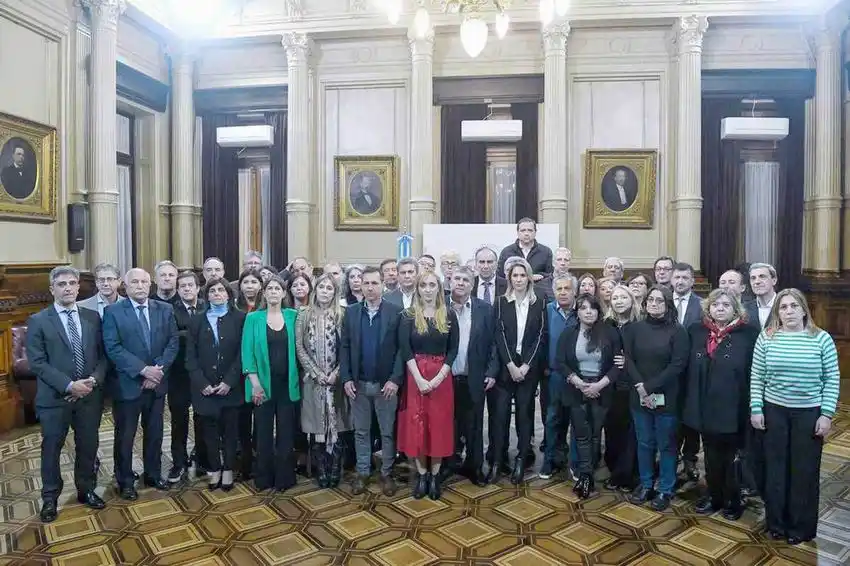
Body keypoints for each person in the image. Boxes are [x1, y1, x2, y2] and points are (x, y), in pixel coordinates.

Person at [750, 289, 840, 545]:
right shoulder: (766, 338)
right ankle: (776, 523)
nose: (788, 311)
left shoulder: (821, 339)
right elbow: (756, 376)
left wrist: (826, 414)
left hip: (809, 413)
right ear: (777, 312)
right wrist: (756, 409)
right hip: (773, 410)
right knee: (774, 469)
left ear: (803, 310)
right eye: (783, 307)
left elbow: (831, 379)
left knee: (804, 471)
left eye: (793, 306)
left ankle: (800, 527)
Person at [26, 267, 108, 522]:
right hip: (54, 398)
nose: (68, 288)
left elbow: (104, 356)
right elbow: (37, 363)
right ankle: (50, 498)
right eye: (62, 284)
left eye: (73, 283)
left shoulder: (93, 317)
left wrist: (93, 381)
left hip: (89, 396)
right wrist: (69, 385)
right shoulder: (39, 320)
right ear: (52, 289)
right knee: (51, 448)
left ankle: (86, 489)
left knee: (88, 445)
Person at [103, 268, 179, 500]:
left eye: (144, 281)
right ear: (125, 285)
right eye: (134, 281)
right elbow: (113, 347)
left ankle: (153, 474)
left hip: (157, 383)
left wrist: (157, 371)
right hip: (128, 385)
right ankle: (125, 480)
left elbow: (173, 341)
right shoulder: (113, 312)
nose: (140, 285)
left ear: (150, 285)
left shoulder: (164, 309)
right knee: (126, 436)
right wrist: (143, 370)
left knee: (155, 432)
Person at [683, 289, 758, 521]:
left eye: (726, 304)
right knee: (711, 456)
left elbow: (754, 373)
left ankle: (733, 500)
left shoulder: (749, 333)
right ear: (708, 308)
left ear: (735, 308)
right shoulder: (697, 330)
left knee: (732, 458)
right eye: (716, 304)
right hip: (705, 407)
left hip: (734, 407)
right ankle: (714, 496)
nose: (720, 308)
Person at [340, 267, 404, 496]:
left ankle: (387, 473)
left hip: (386, 385)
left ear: (382, 285)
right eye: (366, 283)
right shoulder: (351, 312)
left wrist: (395, 380)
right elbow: (345, 347)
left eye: (374, 283)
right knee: (361, 431)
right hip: (358, 385)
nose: (369, 287)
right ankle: (363, 471)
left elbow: (401, 350)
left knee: (387, 432)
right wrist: (346, 378)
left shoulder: (396, 312)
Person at [625, 284, 688, 511]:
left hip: (667, 397)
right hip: (639, 396)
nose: (654, 304)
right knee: (644, 442)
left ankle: (665, 489)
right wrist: (641, 387)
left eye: (659, 300)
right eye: (651, 300)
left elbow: (677, 365)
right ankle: (646, 484)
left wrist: (649, 387)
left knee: (667, 445)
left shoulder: (677, 330)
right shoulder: (634, 329)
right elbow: (628, 360)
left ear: (668, 304)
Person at [397, 271, 460, 499]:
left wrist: (438, 378)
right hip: (416, 379)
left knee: (438, 428)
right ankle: (422, 475)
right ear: (418, 288)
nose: (427, 289)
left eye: (432, 285)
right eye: (423, 285)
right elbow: (406, 350)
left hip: (441, 381)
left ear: (439, 288)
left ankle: (435, 477)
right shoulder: (408, 316)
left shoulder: (449, 314)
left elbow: (453, 351)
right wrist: (420, 379)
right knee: (418, 428)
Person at [555, 294, 622, 498]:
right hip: (577, 389)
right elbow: (561, 362)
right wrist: (578, 382)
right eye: (583, 308)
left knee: (595, 435)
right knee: (581, 435)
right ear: (578, 312)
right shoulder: (569, 333)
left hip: (602, 389)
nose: (588, 312)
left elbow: (617, 365)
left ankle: (589, 473)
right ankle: (585, 476)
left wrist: (599, 385)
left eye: (592, 308)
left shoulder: (610, 333)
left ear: (598, 311)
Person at [489, 258, 547, 485]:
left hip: (528, 370)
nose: (519, 279)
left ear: (529, 277)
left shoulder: (539, 301)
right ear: (509, 278)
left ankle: (522, 459)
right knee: (500, 417)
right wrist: (511, 365)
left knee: (525, 416)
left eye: (523, 275)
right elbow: (499, 335)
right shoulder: (501, 302)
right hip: (506, 369)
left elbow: (541, 335)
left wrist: (525, 366)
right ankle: (497, 460)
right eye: (515, 275)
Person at [185, 278, 246, 491]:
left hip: (231, 387)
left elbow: (242, 354)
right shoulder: (196, 320)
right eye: (213, 291)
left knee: (230, 431)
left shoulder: (240, 318)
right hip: (204, 389)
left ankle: (228, 469)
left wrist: (229, 381)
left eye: (221, 290)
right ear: (206, 295)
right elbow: (190, 356)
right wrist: (201, 383)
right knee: (209, 433)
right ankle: (215, 469)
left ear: (229, 294)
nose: (217, 293)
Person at [242, 276, 301, 492]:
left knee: (286, 433)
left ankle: (285, 478)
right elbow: (247, 353)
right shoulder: (253, 319)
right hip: (262, 385)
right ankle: (264, 478)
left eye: (278, 288)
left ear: (284, 293)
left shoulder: (294, 316)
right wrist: (255, 384)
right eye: (270, 289)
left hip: (288, 384)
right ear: (264, 293)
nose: (274, 292)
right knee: (263, 433)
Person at [295, 273, 351, 488]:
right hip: (313, 380)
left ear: (335, 292)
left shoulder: (342, 315)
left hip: (336, 381)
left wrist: (336, 372)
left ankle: (335, 468)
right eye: (322, 287)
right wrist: (317, 373)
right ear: (315, 290)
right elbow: (299, 347)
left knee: (337, 424)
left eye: (330, 288)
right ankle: (321, 469)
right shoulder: (304, 314)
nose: (325, 291)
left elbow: (347, 347)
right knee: (317, 426)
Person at [445, 267, 495, 486]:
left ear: (472, 285)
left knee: (474, 425)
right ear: (449, 281)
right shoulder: (439, 307)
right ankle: (448, 464)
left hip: (474, 376)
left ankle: (475, 467)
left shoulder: (484, 309)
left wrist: (492, 372)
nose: (461, 283)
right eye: (457, 279)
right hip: (445, 378)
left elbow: (494, 343)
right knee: (448, 424)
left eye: (466, 280)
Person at [168, 271, 207, 483]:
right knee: (179, 421)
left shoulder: (207, 306)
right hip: (179, 375)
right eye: (182, 286)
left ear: (197, 287)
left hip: (203, 375)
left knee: (202, 419)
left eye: (190, 285)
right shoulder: (170, 309)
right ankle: (179, 463)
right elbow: (172, 336)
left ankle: (201, 459)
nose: (186, 289)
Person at [538, 274, 578, 481]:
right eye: (559, 289)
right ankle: (550, 460)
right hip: (552, 376)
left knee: (575, 421)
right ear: (554, 291)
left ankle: (574, 463)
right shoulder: (546, 311)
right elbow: (539, 341)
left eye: (567, 289)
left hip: (578, 379)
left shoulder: (582, 312)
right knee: (552, 419)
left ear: (574, 292)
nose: (563, 292)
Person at [602, 285, 641, 492]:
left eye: (623, 297)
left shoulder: (640, 324)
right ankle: (614, 471)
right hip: (610, 385)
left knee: (631, 433)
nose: (618, 301)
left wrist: (628, 360)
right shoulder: (606, 324)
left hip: (633, 385)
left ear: (631, 300)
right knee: (612, 431)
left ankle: (627, 475)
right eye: (615, 297)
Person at [496, 218, 554, 282]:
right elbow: (500, 276)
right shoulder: (506, 252)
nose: (526, 233)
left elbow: (550, 276)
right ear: (518, 232)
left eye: (530, 230)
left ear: (535, 232)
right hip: (513, 290)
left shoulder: (546, 252)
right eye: (523, 230)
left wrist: (539, 276)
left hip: (537, 289)